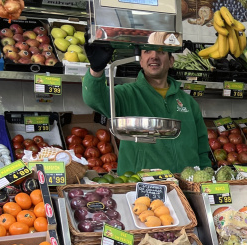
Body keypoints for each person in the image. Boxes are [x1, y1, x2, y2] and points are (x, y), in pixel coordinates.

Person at [82, 44, 212, 174]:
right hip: (140, 186)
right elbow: (94, 98)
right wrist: (96, 70)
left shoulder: (188, 103)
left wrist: (205, 177)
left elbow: (202, 149)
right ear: (141, 61)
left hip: (185, 185)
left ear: (171, 61)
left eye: (161, 52)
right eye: (147, 51)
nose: (154, 56)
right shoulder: (127, 95)